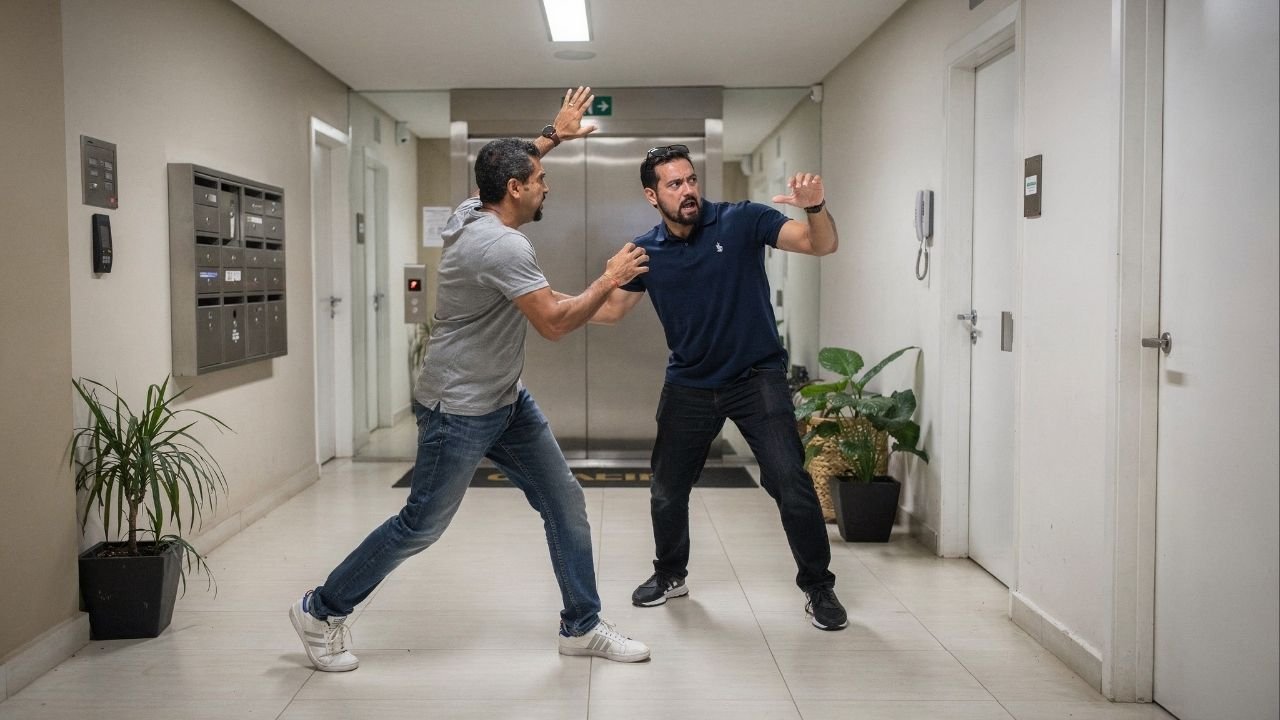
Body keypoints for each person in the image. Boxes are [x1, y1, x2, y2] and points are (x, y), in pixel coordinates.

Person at [289, 87, 653, 671]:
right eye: (539, 179)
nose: (546, 186)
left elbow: (506, 171)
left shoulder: (470, 210)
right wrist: (608, 278)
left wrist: (551, 136)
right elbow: (555, 324)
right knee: (421, 525)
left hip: (503, 400)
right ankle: (320, 610)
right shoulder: (501, 245)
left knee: (565, 502)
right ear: (515, 189)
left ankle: (581, 626)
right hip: (457, 408)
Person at [590, 144, 848, 630]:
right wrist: (566, 294)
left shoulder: (742, 220)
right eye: (674, 184)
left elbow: (820, 245)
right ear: (652, 195)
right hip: (689, 382)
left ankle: (819, 586)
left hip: (756, 378)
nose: (687, 190)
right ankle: (670, 574)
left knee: (791, 484)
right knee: (667, 490)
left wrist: (815, 207)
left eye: (691, 179)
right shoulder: (646, 252)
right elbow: (609, 312)